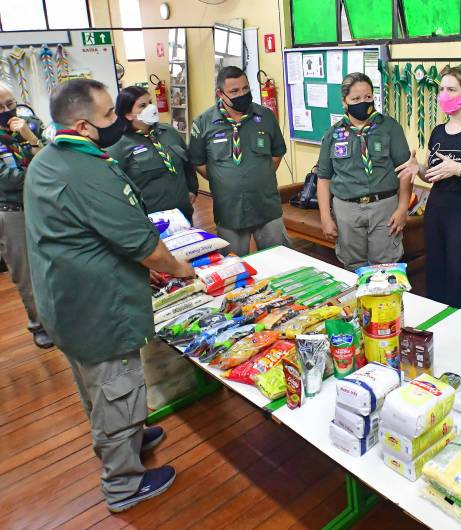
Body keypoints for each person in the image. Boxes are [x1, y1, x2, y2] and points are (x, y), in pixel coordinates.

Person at [25, 79, 196, 512]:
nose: (117, 122)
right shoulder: (88, 171)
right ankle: (123, 484)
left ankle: (126, 439)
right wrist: (180, 269)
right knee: (117, 388)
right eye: (108, 117)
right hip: (99, 308)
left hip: (64, 303)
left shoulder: (48, 159)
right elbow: (144, 246)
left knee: (95, 386)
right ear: (83, 126)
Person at [396, 66, 461, 314]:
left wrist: (459, 169)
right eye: (442, 89)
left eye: (451, 89)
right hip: (436, 213)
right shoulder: (438, 132)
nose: (444, 94)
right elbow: (432, 175)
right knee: (436, 275)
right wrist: (416, 167)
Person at [188, 66, 289, 257]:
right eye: (234, 91)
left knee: (280, 260)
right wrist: (224, 179)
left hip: (266, 205)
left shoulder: (265, 116)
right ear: (220, 93)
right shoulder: (203, 122)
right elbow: (198, 162)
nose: (242, 94)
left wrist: (259, 175)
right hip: (229, 209)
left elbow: (277, 154)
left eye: (245, 88)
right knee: (234, 268)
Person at [316, 72, 412, 271]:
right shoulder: (333, 134)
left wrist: (403, 208)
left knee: (385, 268)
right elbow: (324, 178)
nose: (363, 102)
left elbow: (406, 170)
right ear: (344, 102)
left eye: (368, 97)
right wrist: (325, 217)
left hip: (384, 207)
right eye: (356, 99)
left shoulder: (389, 127)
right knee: (352, 267)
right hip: (347, 209)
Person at [0, 82, 53, 348]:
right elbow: (8, 181)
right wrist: (38, 170)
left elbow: (52, 158)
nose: (7, 111)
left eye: (10, 104)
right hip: (12, 211)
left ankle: (60, 316)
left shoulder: (31, 124)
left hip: (44, 205)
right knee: (26, 273)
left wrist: (31, 139)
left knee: (55, 262)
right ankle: (39, 325)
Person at [108, 86, 198, 223]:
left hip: (183, 213)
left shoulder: (169, 132)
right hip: (151, 219)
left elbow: (187, 164)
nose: (151, 108)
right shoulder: (118, 144)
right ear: (128, 114)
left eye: (150, 102)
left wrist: (193, 189)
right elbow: (113, 186)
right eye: (143, 105)